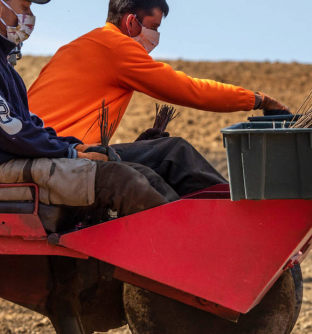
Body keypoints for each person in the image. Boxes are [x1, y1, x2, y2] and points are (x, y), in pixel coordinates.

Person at [27, 0, 290, 196]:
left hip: (42, 148)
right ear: (131, 22)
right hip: (64, 155)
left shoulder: (80, 45)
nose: (155, 37)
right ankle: (239, 212)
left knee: (155, 156)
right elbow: (189, 90)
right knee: (174, 153)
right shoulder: (117, 46)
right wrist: (258, 100)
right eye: (153, 27)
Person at [0, 0, 176, 217]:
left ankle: (190, 236)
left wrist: (75, 145)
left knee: (142, 174)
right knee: (121, 181)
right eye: (25, 7)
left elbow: (29, 127)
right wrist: (72, 154)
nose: (30, 16)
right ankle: (180, 247)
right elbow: (9, 130)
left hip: (8, 161)